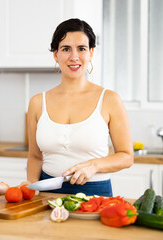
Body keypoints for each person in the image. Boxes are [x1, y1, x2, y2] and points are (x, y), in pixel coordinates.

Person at [26, 18, 133, 196]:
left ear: (91, 53)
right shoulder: (37, 102)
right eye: (66, 49)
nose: (74, 56)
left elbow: (126, 156)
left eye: (81, 48)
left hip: (95, 194)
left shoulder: (109, 100)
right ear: (55, 54)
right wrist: (30, 187)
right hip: (47, 194)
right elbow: (35, 157)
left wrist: (95, 165)